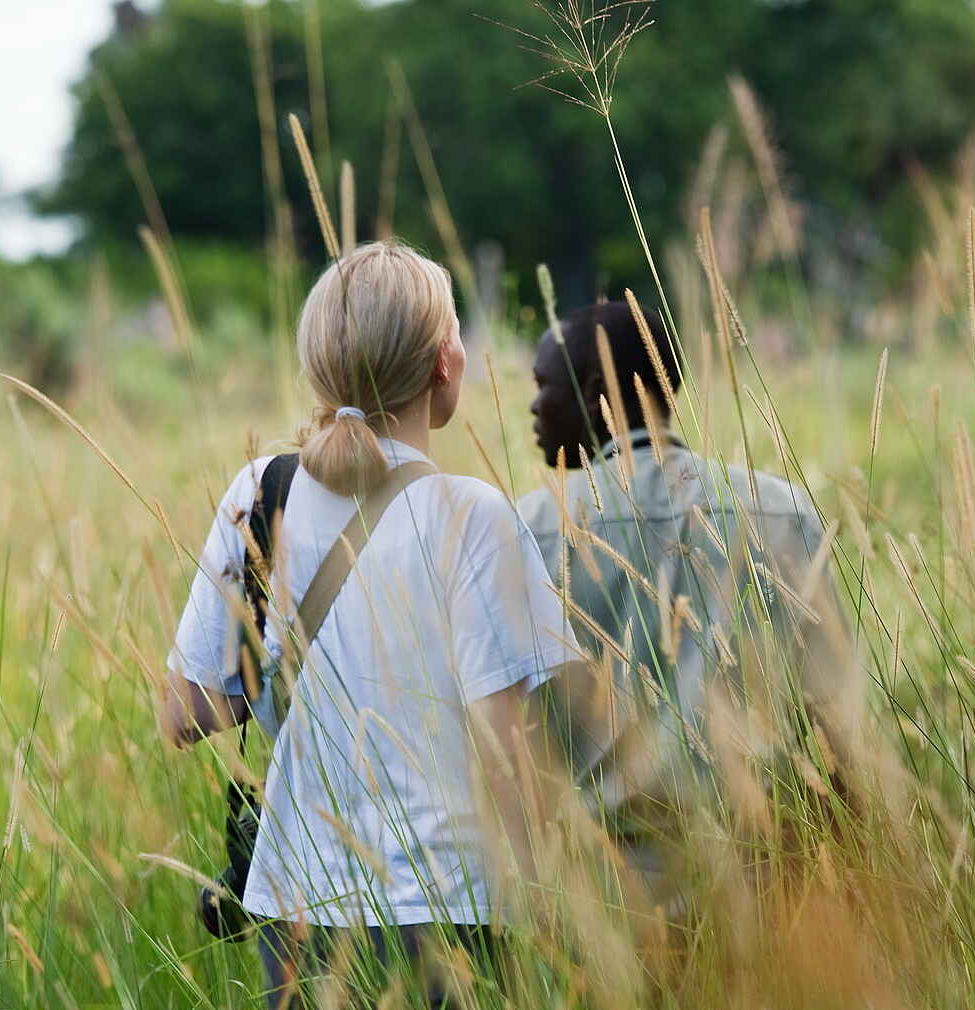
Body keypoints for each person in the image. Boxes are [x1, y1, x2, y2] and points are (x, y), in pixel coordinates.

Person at [163, 241, 581, 1008]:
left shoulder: (261, 490)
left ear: (319, 363)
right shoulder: (472, 514)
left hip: (297, 906)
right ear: (444, 364)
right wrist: (551, 906)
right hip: (450, 907)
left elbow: (187, 713)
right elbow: (505, 748)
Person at [517, 299, 854, 923]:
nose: (533, 406)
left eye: (543, 385)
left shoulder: (528, 530)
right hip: (762, 895)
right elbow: (841, 729)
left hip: (600, 907)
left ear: (593, 391)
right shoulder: (780, 511)